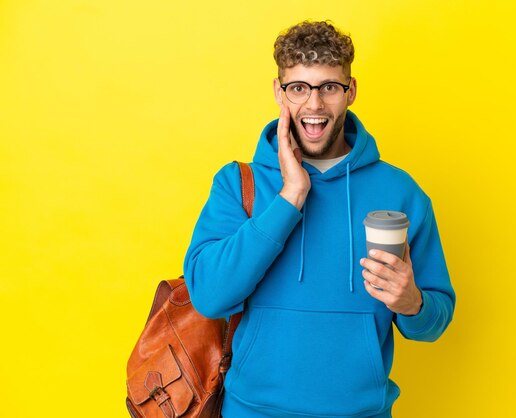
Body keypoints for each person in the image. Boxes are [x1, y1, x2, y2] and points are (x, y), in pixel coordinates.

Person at [184, 20, 456, 418]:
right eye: (299, 88)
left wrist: (413, 302)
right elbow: (209, 297)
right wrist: (289, 197)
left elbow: (435, 321)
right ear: (279, 92)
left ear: (351, 91)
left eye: (329, 86)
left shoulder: (400, 191)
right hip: (251, 412)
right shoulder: (238, 184)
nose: (314, 105)